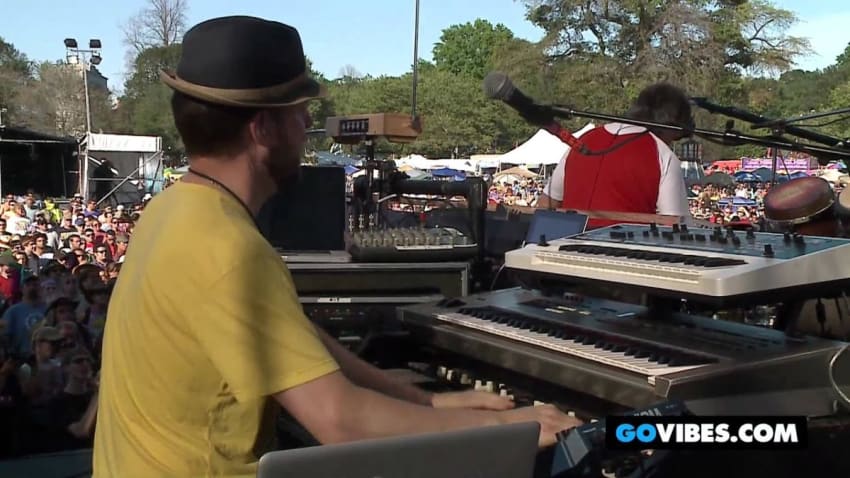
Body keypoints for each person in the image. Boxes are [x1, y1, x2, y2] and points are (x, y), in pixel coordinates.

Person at [93, 16, 580, 478]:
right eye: (301, 112)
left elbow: (300, 341)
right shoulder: (227, 248)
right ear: (263, 128)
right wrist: (510, 426)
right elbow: (340, 421)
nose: (309, 125)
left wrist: (427, 402)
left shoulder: (172, 210)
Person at [537, 83, 692, 229]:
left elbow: (545, 204)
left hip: (561, 249)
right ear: (670, 126)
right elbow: (676, 226)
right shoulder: (662, 154)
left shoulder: (583, 141)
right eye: (675, 136)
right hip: (625, 253)